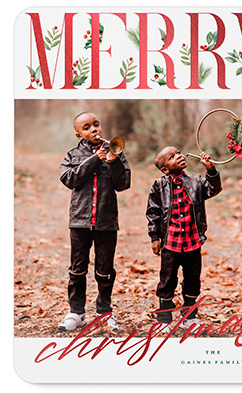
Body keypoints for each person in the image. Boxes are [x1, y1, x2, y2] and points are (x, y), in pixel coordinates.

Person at [59, 112, 131, 332]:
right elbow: (69, 179)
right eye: (87, 127)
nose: (94, 130)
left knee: (105, 270)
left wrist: (113, 162)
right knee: (77, 269)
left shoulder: (115, 152)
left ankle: (104, 312)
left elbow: (124, 184)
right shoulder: (73, 155)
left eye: (96, 125)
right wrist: (94, 159)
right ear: (78, 133)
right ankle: (77, 312)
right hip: (80, 222)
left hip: (106, 222)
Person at [146, 146, 222, 334]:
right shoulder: (159, 185)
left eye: (178, 153)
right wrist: (155, 237)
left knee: (192, 280)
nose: (179, 156)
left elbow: (213, 189)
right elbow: (153, 212)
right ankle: (163, 320)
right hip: (170, 243)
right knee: (167, 282)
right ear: (165, 169)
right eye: (172, 157)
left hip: (192, 241)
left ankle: (189, 317)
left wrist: (211, 170)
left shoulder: (196, 181)